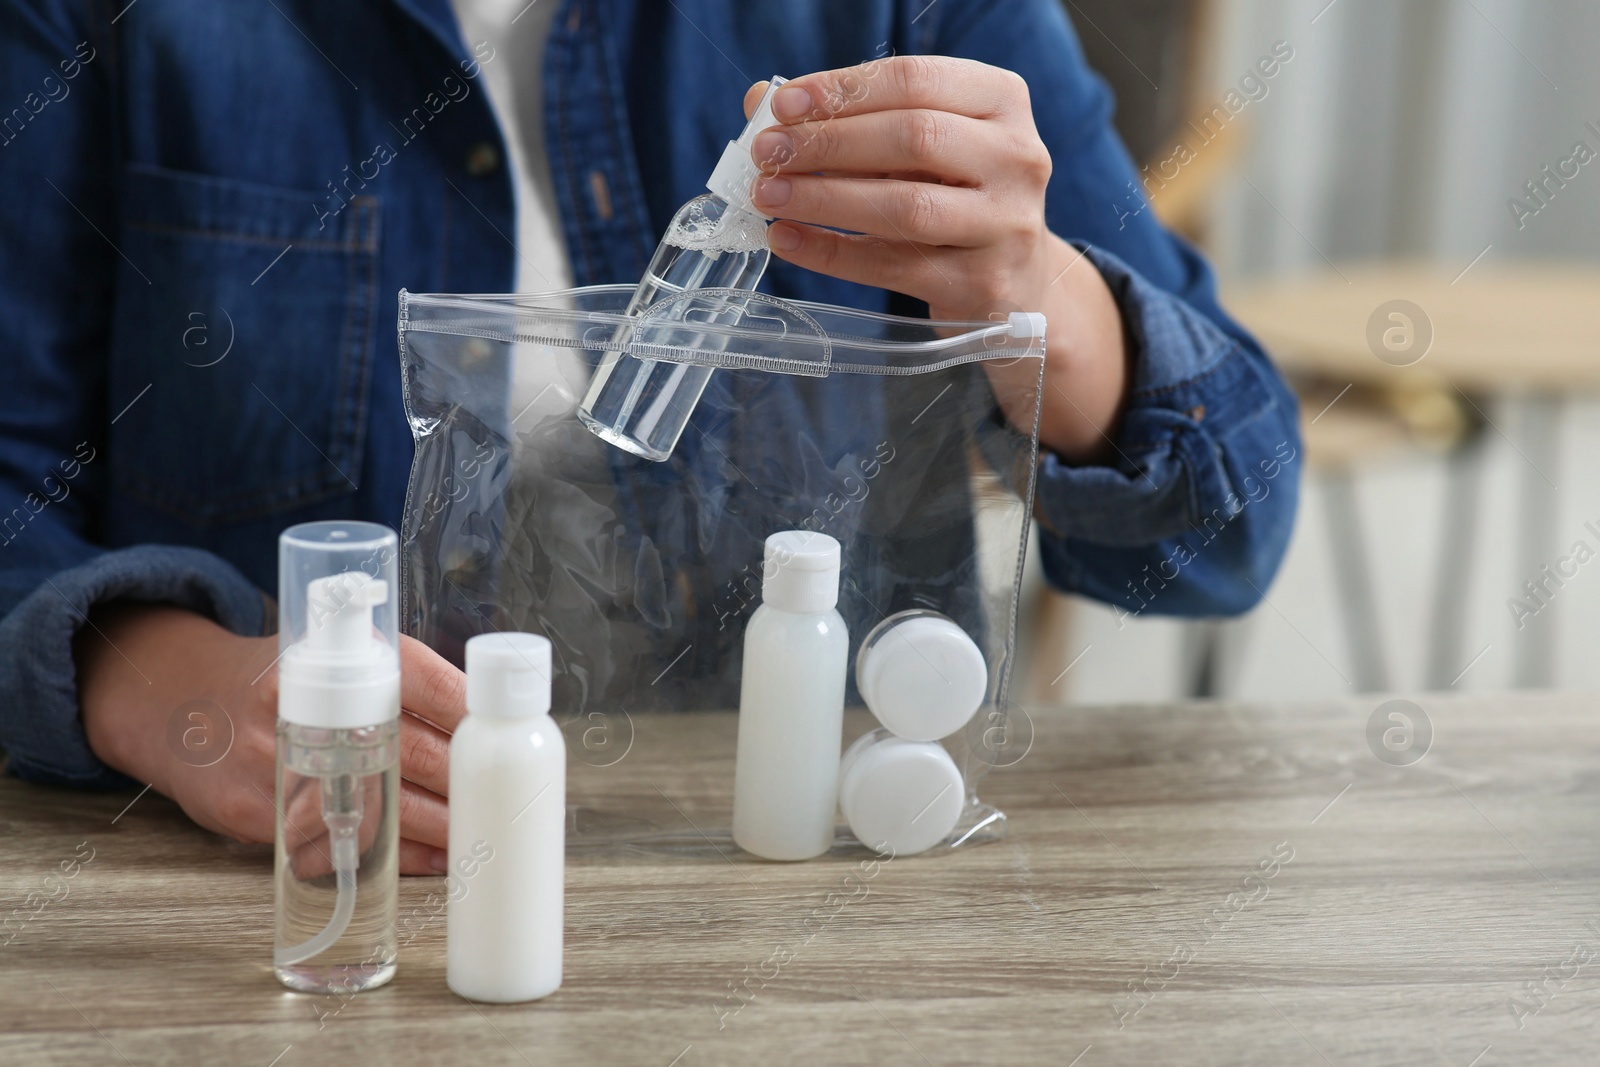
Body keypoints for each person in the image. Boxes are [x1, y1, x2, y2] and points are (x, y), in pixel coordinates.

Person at [0, 0, 1300, 874]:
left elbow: (1229, 533)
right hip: (334, 878)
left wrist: (1045, 301)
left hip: (820, 887)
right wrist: (174, 694)